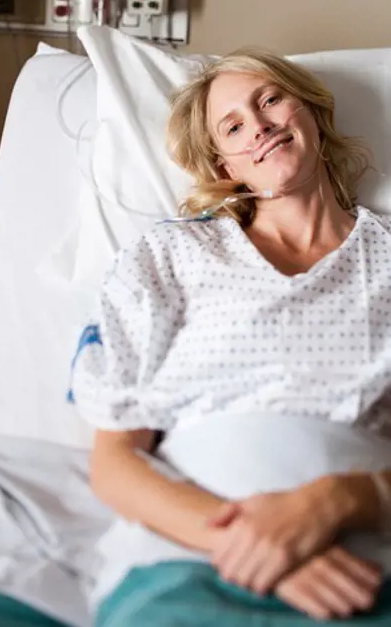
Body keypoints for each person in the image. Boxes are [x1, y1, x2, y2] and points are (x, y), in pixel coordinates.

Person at [71, 48, 391, 626]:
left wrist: (340, 500)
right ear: (225, 169)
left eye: (270, 99)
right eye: (234, 126)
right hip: (190, 563)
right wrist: (254, 544)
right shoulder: (168, 257)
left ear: (313, 113)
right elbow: (115, 462)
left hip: (364, 564)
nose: (260, 126)